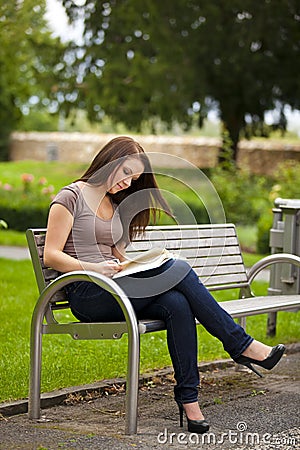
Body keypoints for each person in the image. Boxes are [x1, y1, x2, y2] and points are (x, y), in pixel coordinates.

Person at [44, 136, 285, 434]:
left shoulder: (112, 202)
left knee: (177, 304)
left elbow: (114, 254)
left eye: (134, 178)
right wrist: (96, 268)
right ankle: (240, 344)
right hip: (88, 293)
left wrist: (138, 263)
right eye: (126, 174)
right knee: (180, 269)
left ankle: (189, 400)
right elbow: (52, 255)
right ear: (109, 162)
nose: (129, 183)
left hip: (116, 288)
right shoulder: (71, 196)